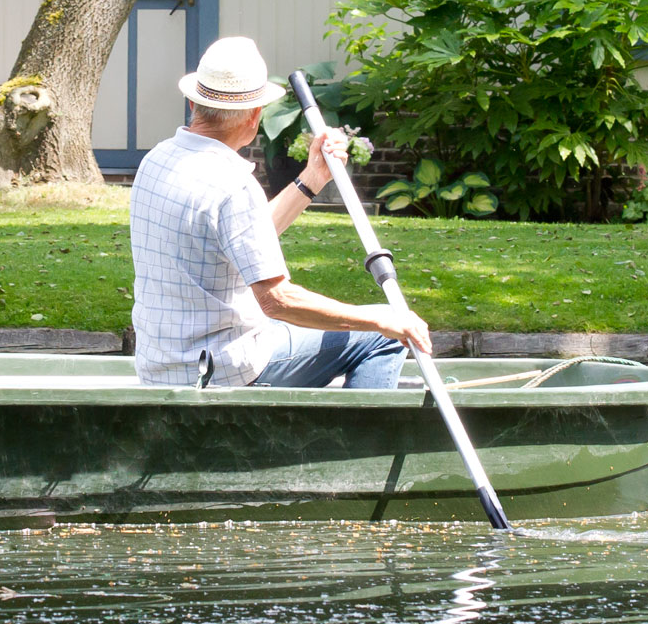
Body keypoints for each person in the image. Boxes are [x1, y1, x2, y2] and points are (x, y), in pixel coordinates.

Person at [129, 36, 432, 390]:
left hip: (161, 364)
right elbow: (277, 301)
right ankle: (352, 440)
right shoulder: (233, 184)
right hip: (221, 371)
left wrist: (312, 178)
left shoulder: (157, 160)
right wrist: (380, 320)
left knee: (352, 324)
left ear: (195, 102)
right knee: (384, 333)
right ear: (255, 115)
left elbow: (243, 237)